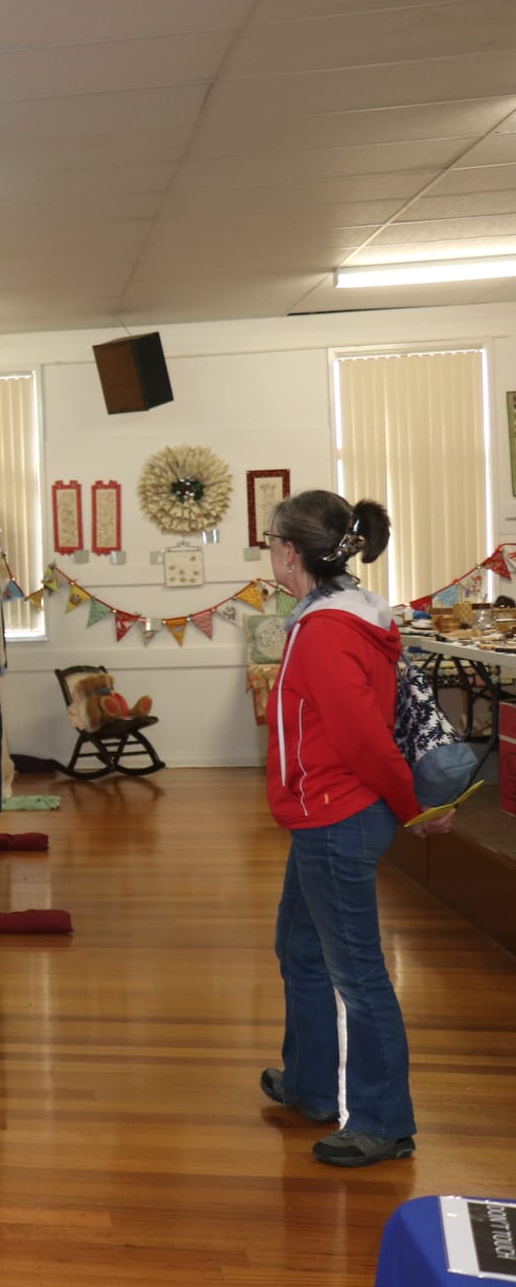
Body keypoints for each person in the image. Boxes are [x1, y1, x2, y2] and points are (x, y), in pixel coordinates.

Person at [259, 490, 449, 1168]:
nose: (268, 555)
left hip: (338, 816)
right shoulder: (346, 613)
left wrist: (412, 807)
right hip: (327, 813)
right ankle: (311, 1082)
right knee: (299, 945)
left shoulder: (325, 631)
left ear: (291, 553)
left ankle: (382, 1120)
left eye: (270, 543)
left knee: (359, 973)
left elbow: (367, 739)